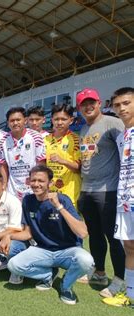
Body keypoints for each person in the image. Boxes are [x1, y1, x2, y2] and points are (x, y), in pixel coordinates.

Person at [6, 165, 94, 305]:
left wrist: (59, 206)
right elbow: (28, 233)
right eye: (33, 180)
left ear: (50, 183)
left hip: (67, 250)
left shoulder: (62, 200)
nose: (36, 184)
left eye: (41, 181)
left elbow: (83, 233)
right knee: (14, 265)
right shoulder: (28, 201)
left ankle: (66, 286)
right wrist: (7, 236)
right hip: (43, 250)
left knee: (87, 261)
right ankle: (49, 275)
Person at [76, 87, 126, 297]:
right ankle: (99, 272)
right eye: (83, 104)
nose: (88, 106)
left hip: (108, 189)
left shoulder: (113, 123)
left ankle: (121, 280)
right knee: (95, 235)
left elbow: (126, 151)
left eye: (91, 102)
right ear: (79, 108)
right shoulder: (83, 130)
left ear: (99, 103)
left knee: (113, 237)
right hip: (87, 190)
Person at [102, 87, 134, 307]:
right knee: (129, 247)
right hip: (125, 200)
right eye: (117, 105)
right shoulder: (122, 135)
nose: (122, 108)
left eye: (127, 103)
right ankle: (131, 294)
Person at [0, 107, 45, 200]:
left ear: (25, 120)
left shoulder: (36, 137)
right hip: (12, 188)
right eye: (12, 120)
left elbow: (41, 163)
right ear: (8, 123)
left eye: (18, 120)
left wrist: (39, 183)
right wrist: (4, 186)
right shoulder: (2, 141)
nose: (15, 123)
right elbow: (3, 166)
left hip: (32, 187)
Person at [44, 104, 81, 207]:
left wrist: (62, 161)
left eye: (63, 119)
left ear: (71, 120)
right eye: (56, 119)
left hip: (70, 193)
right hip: (50, 192)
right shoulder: (45, 140)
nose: (59, 122)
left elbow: (78, 168)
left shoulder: (76, 139)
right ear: (52, 120)